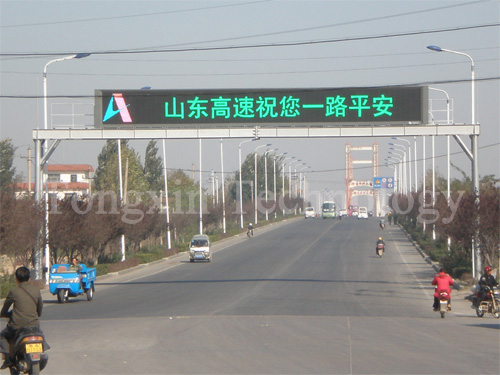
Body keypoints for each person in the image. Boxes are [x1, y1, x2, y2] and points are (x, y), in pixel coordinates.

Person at [0, 267, 43, 369]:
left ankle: (8, 359)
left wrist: (2, 314)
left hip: (17, 326)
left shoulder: (14, 291)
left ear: (16, 278)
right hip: (34, 326)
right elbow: (39, 309)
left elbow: (5, 307)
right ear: (29, 278)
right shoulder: (36, 290)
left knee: (2, 336)